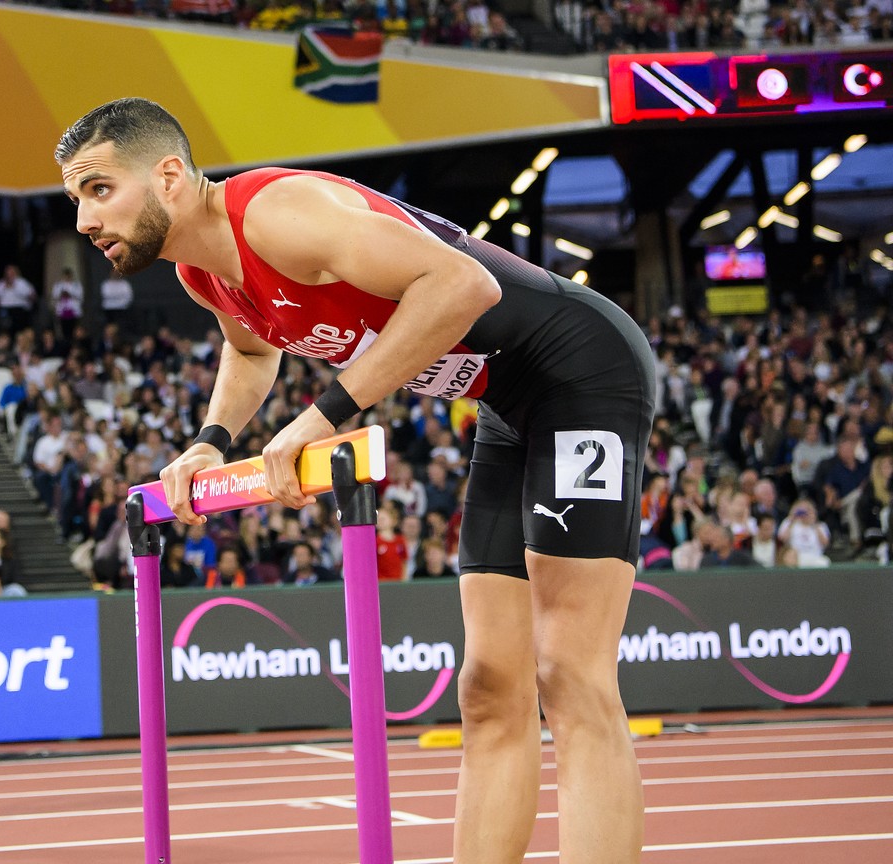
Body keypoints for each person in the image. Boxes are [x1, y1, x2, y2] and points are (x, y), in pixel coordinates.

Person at [58, 98, 656, 863]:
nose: (83, 220)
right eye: (75, 199)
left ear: (170, 176)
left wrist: (326, 413)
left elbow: (464, 287)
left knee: (570, 673)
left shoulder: (279, 213)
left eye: (98, 190)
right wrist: (210, 442)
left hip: (584, 370)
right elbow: (249, 353)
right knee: (488, 686)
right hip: (508, 405)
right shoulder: (203, 271)